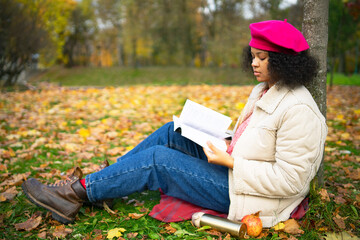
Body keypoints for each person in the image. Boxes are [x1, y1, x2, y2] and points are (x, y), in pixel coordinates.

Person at [22, 19, 327, 228]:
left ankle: (72, 196)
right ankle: (108, 180)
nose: (253, 63)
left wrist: (232, 161)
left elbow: (292, 181)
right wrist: (227, 141)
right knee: (174, 131)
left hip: (246, 194)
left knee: (159, 161)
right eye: (253, 55)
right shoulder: (267, 88)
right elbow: (260, 142)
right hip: (237, 169)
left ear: (285, 61)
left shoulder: (300, 110)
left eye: (262, 57)